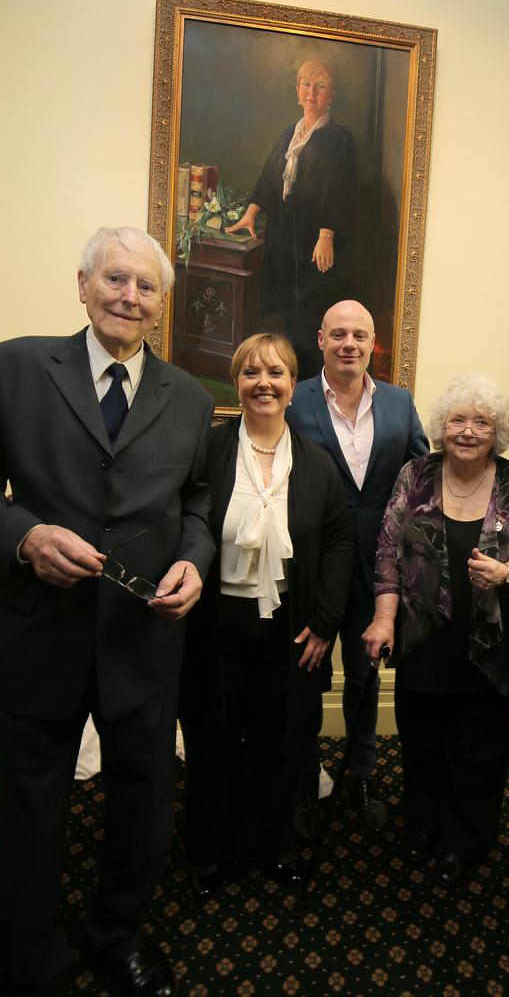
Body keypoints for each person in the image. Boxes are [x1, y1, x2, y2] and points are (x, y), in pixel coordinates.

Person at [0, 227, 215, 997]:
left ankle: (116, 934)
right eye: (114, 279)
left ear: (161, 303)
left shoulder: (189, 398)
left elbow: (198, 501)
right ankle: (32, 955)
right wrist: (23, 538)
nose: (129, 296)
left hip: (142, 637)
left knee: (145, 805)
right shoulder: (12, 366)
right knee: (30, 811)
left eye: (146, 286)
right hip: (35, 633)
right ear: (81, 284)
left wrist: (195, 558)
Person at [363, 375, 509, 886]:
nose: (468, 431)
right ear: (441, 426)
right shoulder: (416, 475)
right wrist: (384, 618)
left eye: (482, 422)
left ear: (498, 432)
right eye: (457, 420)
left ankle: (465, 842)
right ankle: (423, 824)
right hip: (423, 640)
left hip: (494, 644)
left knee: (480, 749)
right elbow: (387, 552)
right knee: (422, 743)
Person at [179, 333, 352, 895]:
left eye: (276, 373)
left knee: (281, 745)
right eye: (251, 373)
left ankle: (275, 844)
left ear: (292, 385)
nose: (264, 383)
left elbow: (337, 544)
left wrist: (326, 622)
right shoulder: (206, 450)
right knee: (213, 742)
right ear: (237, 382)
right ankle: (208, 851)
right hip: (213, 626)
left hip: (290, 629)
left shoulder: (318, 465)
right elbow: (183, 520)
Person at [286, 300, 428, 835]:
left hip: (379, 574)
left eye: (360, 336)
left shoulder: (399, 402)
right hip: (313, 571)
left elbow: (420, 475)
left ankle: (363, 774)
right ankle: (304, 778)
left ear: (374, 343)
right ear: (320, 338)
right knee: (305, 680)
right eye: (338, 334)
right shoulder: (293, 399)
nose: (349, 344)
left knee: (364, 681)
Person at [226, 58, 356, 378]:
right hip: (283, 231)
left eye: (320, 86)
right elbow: (271, 176)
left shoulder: (339, 139)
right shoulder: (291, 133)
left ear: (331, 95)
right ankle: (277, 371)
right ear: (298, 91)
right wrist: (252, 213)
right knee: (279, 305)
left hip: (313, 238)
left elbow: (338, 191)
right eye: (306, 85)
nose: (312, 92)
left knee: (307, 310)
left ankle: (308, 378)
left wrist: (326, 236)